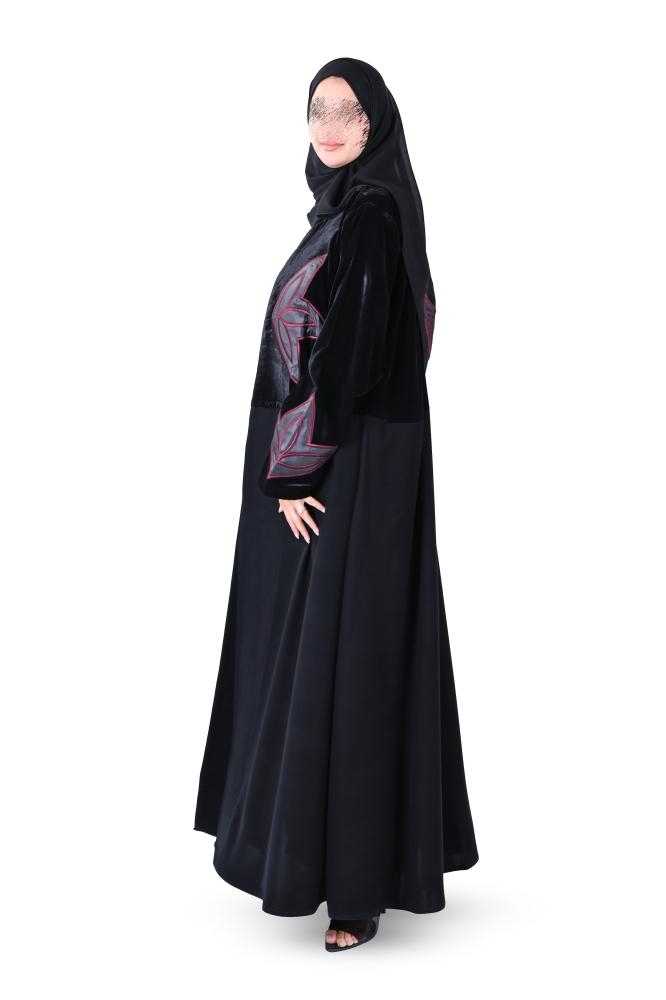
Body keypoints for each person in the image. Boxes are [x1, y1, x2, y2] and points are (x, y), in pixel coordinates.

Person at [194, 56, 479, 953]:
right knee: (340, 650)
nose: (330, 125)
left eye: (348, 111)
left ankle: (351, 886)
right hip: (362, 455)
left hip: (344, 462)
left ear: (376, 122)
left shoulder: (369, 216)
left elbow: (346, 355)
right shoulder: (358, 212)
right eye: (318, 108)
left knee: (343, 653)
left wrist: (294, 472)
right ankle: (344, 867)